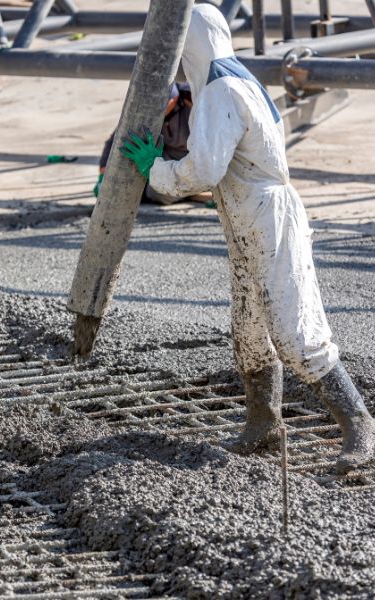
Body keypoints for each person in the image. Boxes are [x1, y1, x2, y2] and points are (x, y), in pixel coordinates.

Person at [120, 4, 375, 474]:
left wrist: (154, 168)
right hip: (247, 217)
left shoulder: (220, 91)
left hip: (268, 218)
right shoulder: (234, 79)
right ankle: (262, 427)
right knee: (251, 330)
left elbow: (202, 170)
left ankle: (359, 426)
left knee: (295, 332)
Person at [94, 83, 192, 204]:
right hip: (160, 152)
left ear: (174, 99)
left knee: (160, 193)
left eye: (162, 106)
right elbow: (120, 137)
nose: (156, 112)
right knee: (130, 152)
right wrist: (104, 173)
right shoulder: (147, 109)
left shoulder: (192, 101)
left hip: (188, 159)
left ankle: (143, 192)